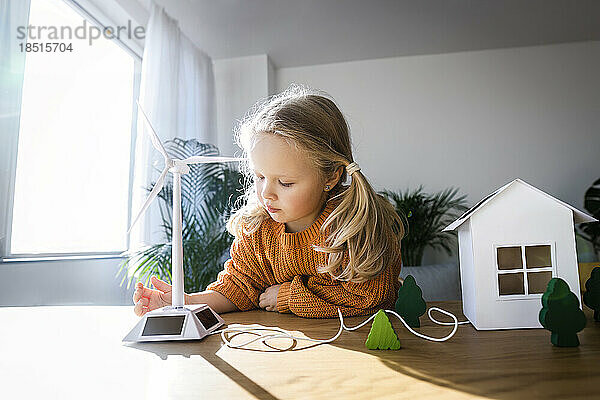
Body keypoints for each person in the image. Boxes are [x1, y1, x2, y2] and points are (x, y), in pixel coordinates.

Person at [132, 85, 405, 318]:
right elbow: (240, 286)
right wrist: (184, 301)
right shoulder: (260, 228)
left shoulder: (356, 227)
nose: (266, 194)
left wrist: (288, 296)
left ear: (332, 175)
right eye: (259, 176)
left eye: (285, 182)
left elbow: (371, 297)